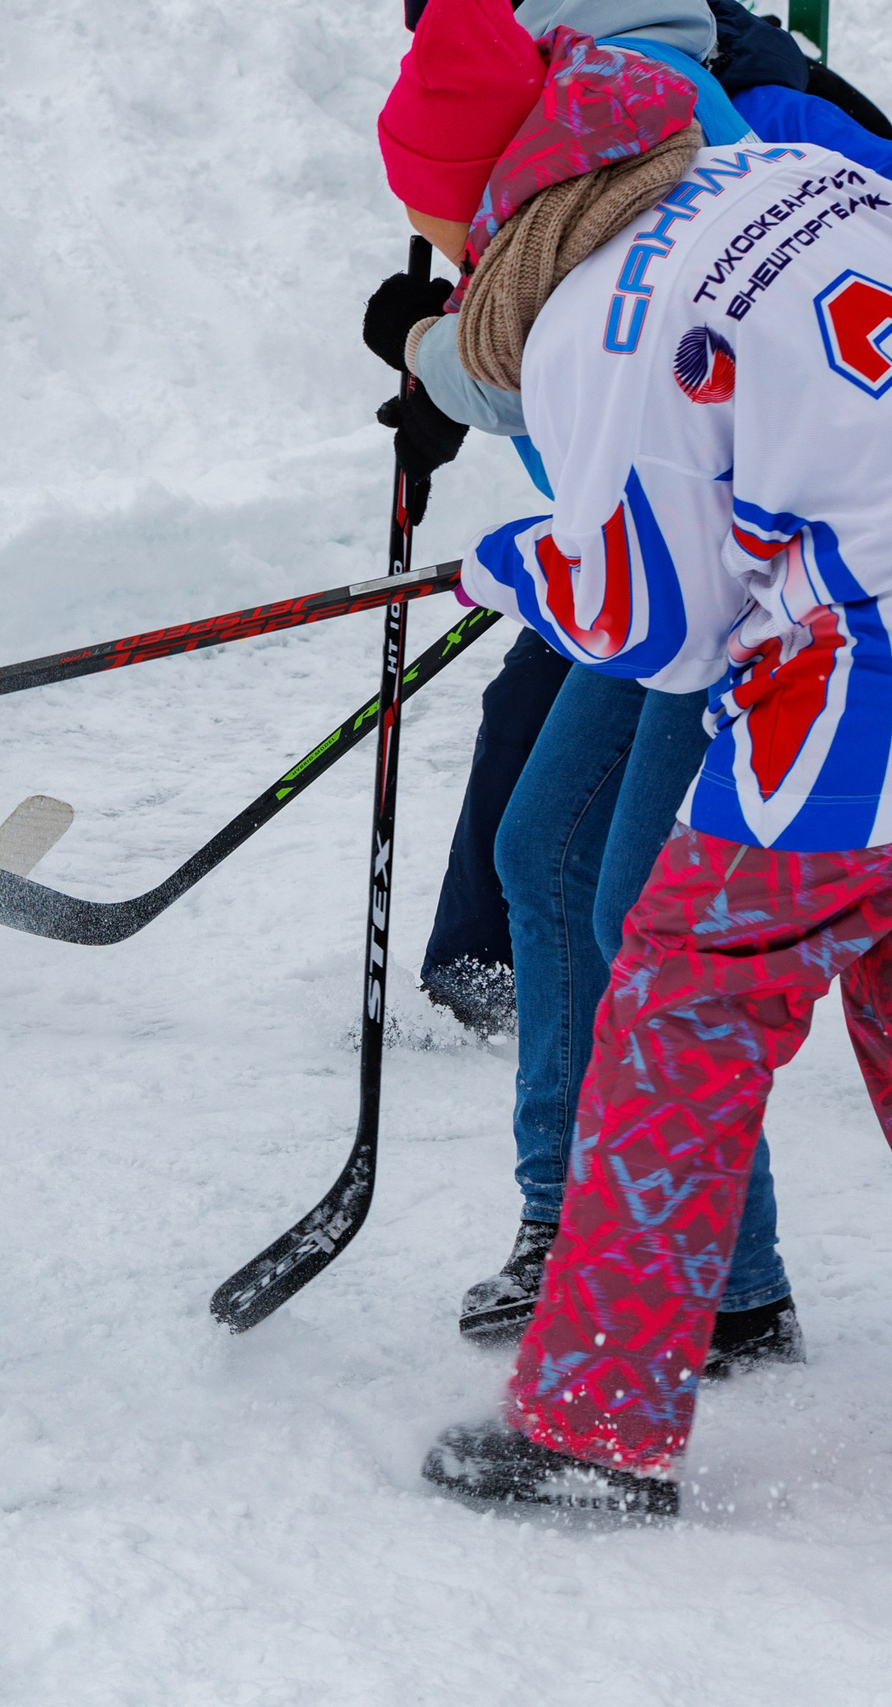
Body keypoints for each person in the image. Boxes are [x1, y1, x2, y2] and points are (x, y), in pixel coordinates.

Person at [365, 0, 892, 1516]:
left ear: (472, 199)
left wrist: (520, 565)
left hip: (857, 670)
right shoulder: (754, 174)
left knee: (683, 994)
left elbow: (664, 626)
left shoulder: (601, 300)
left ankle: (595, 1422)